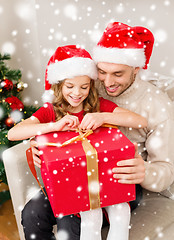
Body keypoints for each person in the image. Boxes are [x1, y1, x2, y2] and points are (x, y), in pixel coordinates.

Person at [8, 44, 147, 240]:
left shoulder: (98, 105)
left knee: (74, 220)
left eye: (84, 87)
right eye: (70, 86)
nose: (77, 93)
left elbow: (140, 121)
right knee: (33, 214)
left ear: (90, 85)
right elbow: (13, 134)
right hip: (62, 179)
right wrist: (52, 128)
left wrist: (102, 116)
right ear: (59, 85)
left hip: (99, 181)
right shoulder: (50, 111)